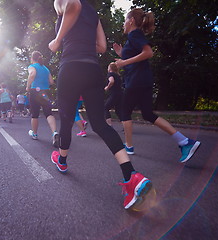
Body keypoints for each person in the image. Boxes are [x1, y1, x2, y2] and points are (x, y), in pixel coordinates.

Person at [48, 0, 151, 209]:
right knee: (99, 124)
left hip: (71, 67)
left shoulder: (61, 1)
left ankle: (62, 160)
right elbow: (102, 47)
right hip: (92, 69)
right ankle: (131, 175)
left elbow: (73, 6)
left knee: (66, 120)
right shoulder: (93, 13)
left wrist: (58, 40)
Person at [114, 8, 200, 161]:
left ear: (131, 21)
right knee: (148, 114)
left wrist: (123, 62)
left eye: (125, 20)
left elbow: (148, 53)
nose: (123, 24)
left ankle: (129, 146)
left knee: (124, 111)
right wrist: (122, 54)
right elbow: (137, 55)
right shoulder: (133, 38)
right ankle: (185, 141)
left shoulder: (135, 34)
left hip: (136, 81)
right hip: (143, 80)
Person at [26, 51, 59, 148]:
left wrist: (28, 86)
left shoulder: (32, 66)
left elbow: (32, 74)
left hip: (34, 91)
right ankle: (54, 132)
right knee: (48, 113)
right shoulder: (45, 68)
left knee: (35, 114)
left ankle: (35, 134)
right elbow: (51, 82)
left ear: (32, 58)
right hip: (45, 92)